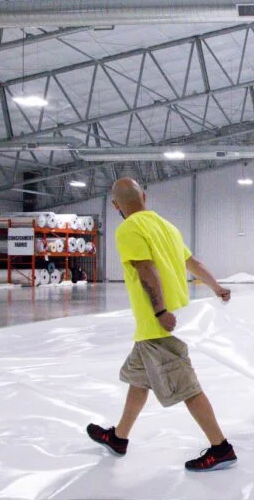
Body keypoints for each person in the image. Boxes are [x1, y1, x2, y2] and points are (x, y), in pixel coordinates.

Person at [86, 177, 237, 472]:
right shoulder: (167, 226)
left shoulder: (128, 228)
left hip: (158, 326)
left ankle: (221, 448)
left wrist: (159, 311)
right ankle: (119, 437)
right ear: (144, 196)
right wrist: (216, 287)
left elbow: (145, 269)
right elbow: (193, 263)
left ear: (115, 205)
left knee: (187, 387)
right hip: (155, 327)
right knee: (138, 381)